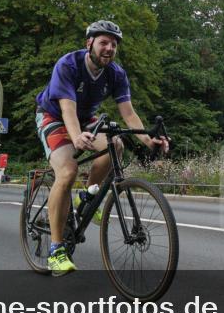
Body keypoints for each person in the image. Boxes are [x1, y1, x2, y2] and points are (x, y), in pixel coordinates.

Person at [34, 19, 169, 276]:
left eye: (114, 44)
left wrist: (147, 140)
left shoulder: (116, 73)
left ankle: (87, 195)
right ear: (90, 44)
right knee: (67, 171)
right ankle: (55, 249)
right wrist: (75, 137)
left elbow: (129, 114)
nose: (109, 48)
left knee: (115, 144)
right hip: (54, 116)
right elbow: (67, 109)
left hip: (86, 119)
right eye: (104, 42)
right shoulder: (69, 64)